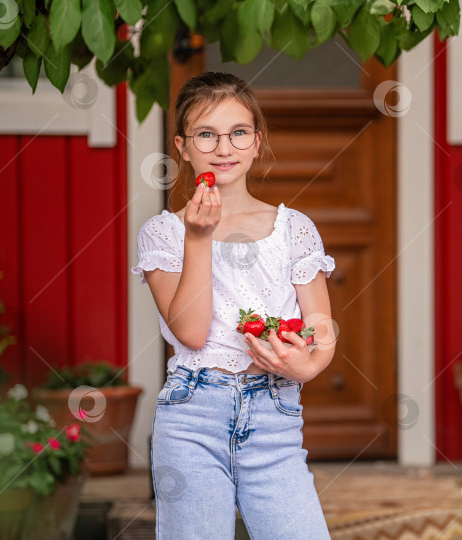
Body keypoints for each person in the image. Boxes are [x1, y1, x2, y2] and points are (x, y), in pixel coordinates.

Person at [130, 71, 336, 539]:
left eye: (238, 132)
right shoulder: (164, 233)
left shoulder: (293, 228)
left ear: (257, 142)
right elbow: (192, 333)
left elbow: (321, 329)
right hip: (193, 414)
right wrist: (198, 237)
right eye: (207, 134)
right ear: (183, 147)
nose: (224, 148)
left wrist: (306, 367)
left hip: (274, 414)